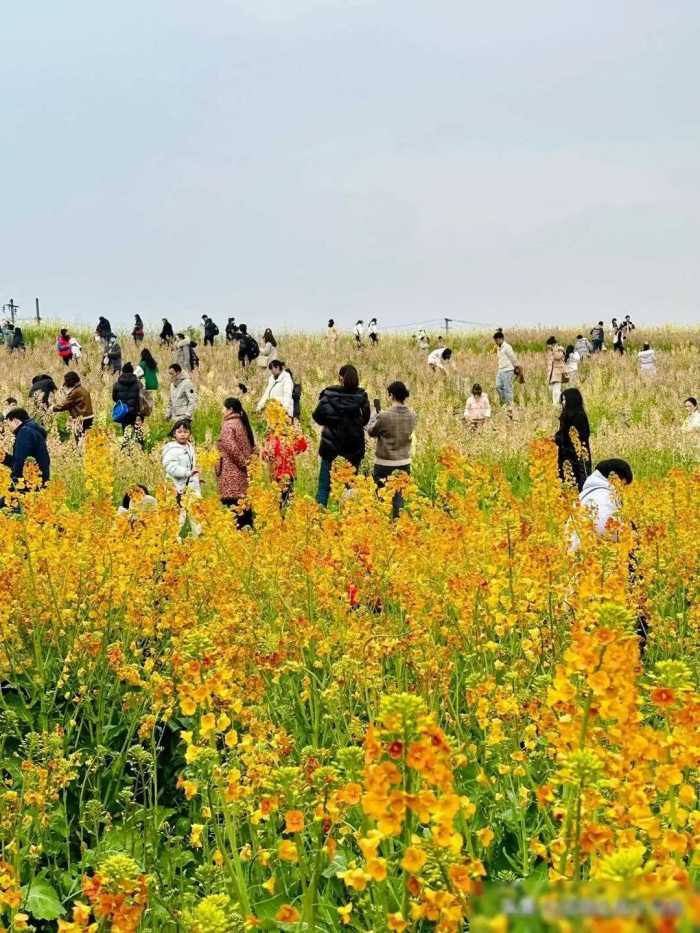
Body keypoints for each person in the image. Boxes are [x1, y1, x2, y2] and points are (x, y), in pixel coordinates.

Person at [312, 363, 371, 507]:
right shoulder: (361, 397)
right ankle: (348, 523)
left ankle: (318, 522)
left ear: (340, 378)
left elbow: (317, 417)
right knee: (349, 490)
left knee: (324, 488)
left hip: (330, 450)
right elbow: (365, 420)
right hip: (353, 451)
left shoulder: (328, 395)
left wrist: (331, 421)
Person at [367, 381, 416, 518]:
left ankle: (382, 527)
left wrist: (374, 417)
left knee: (381, 497)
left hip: (384, 463)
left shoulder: (384, 416)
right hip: (404, 462)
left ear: (391, 395)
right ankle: (397, 529)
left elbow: (371, 432)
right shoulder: (412, 415)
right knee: (399, 498)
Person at [216, 397, 257, 527]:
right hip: (242, 478)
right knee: (244, 512)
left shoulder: (228, 425)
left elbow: (229, 445)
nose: (222, 411)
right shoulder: (242, 423)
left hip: (231, 476)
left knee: (235, 515)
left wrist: (242, 463)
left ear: (230, 409)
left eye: (224, 408)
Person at [261, 401, 308, 509]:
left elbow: (265, 456)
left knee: (282, 505)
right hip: (279, 476)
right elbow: (302, 447)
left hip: (281, 476)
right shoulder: (277, 437)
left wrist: (297, 432)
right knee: (283, 505)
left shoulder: (276, 437)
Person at [1, 408, 50, 490]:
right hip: (39, 481)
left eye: (9, 424)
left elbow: (19, 462)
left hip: (29, 483)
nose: (9, 429)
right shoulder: (33, 430)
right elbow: (22, 460)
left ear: (15, 420)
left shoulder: (24, 432)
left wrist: (13, 484)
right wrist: (4, 457)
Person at [555, 388, 591, 491]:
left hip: (577, 457)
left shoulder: (580, 416)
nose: (563, 403)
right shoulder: (566, 416)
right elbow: (561, 433)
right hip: (565, 456)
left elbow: (582, 436)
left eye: (565, 400)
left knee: (580, 481)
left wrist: (560, 439)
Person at [162, 420, 201, 501]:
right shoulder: (172, 449)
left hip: (189, 487)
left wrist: (195, 477)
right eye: (179, 432)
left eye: (185, 432)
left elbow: (191, 465)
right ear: (174, 434)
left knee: (193, 509)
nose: (182, 434)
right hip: (175, 488)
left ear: (190, 434)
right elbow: (171, 467)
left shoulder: (190, 447)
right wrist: (187, 473)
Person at [53, 371, 94, 438]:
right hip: (89, 417)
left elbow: (64, 405)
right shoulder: (82, 389)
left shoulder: (75, 392)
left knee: (80, 440)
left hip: (80, 419)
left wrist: (52, 408)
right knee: (87, 439)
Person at [112, 362, 142, 428]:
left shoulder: (117, 384)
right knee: (137, 432)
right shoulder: (138, 384)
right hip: (135, 411)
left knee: (126, 432)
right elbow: (142, 398)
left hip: (123, 411)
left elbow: (114, 398)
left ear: (123, 371)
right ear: (132, 371)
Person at [493, 331, 518, 409]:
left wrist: (516, 368)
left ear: (501, 339)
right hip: (500, 370)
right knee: (498, 386)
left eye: (497, 340)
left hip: (508, 370)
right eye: (495, 340)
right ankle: (504, 402)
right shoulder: (498, 348)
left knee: (508, 388)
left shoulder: (507, 347)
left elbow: (513, 358)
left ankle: (510, 405)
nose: (496, 342)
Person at [545, 336, 566, 405]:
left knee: (557, 390)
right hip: (552, 373)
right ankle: (558, 403)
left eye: (549, 345)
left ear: (552, 344)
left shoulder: (559, 349)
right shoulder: (550, 350)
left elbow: (558, 357)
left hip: (558, 372)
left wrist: (554, 349)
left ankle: (558, 403)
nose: (548, 347)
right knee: (552, 390)